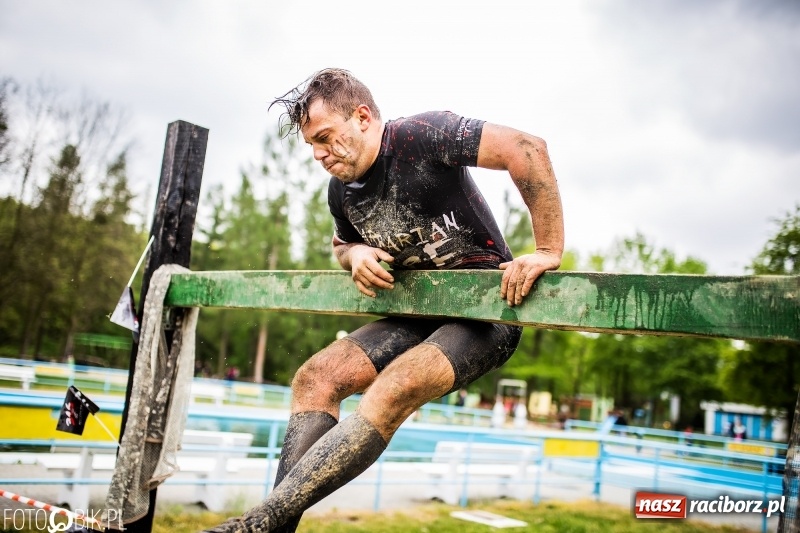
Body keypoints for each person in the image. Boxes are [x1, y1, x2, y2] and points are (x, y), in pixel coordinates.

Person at [205, 68, 564, 532]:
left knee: (394, 386)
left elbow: (527, 148)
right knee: (315, 377)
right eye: (311, 144)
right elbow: (340, 244)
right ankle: (273, 528)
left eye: (326, 137)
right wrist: (352, 253)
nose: (318, 154)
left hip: (485, 314)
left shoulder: (422, 135)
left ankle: (259, 524)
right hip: (413, 315)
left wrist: (548, 250)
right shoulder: (342, 193)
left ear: (362, 116)